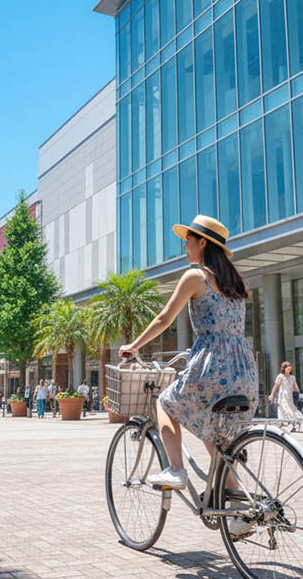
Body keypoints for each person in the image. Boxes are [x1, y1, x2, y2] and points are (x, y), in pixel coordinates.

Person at [118, 214, 258, 503]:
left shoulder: (197, 276)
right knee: (215, 432)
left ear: (203, 242)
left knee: (165, 403)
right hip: (243, 370)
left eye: (188, 241)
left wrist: (134, 345)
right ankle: (238, 508)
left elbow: (164, 318)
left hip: (212, 366)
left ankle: (176, 470)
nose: (185, 247)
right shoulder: (236, 283)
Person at [268, 361, 303, 432]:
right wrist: (272, 395)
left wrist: (299, 393)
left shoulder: (292, 377)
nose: (289, 369)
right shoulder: (281, 376)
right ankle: (287, 425)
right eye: (287, 368)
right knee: (285, 410)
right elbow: (275, 387)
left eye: (290, 368)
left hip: (290, 397)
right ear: (284, 369)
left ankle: (293, 425)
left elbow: (295, 386)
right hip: (283, 397)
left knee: (290, 410)